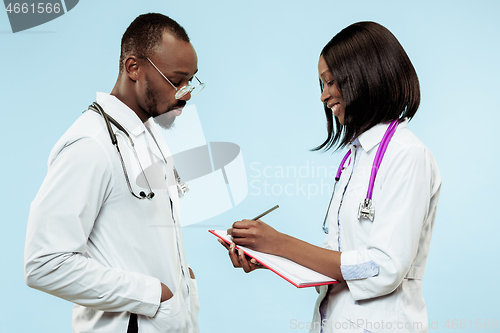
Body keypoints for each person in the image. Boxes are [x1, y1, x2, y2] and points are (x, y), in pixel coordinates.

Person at [220, 21, 441, 333]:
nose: (324, 96)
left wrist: (280, 244)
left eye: (331, 82)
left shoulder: (408, 156)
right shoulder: (357, 158)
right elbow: (338, 262)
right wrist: (268, 255)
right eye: (321, 85)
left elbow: (382, 268)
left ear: (365, 75)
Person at [24, 13, 203, 333]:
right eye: (176, 81)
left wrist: (181, 280)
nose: (185, 94)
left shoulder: (149, 135)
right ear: (133, 67)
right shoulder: (89, 144)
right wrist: (156, 296)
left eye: (191, 81)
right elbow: (44, 263)